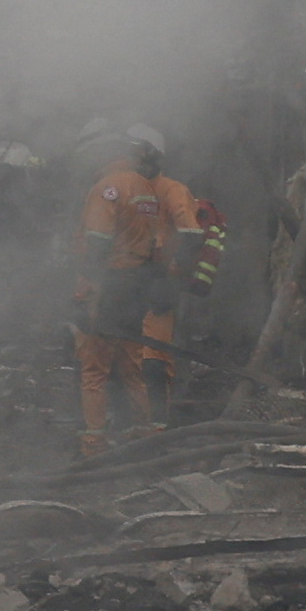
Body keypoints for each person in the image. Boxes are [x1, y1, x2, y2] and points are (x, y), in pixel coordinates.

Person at [72, 127, 223, 451]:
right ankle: (141, 430)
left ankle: (129, 434)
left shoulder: (161, 189)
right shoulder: (143, 187)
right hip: (140, 283)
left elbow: (190, 234)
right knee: (133, 359)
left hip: (137, 284)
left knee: (137, 360)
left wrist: (169, 279)